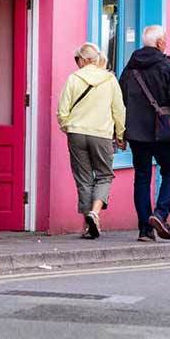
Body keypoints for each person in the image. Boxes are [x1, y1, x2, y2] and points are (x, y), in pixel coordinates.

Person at [120, 25, 170, 243]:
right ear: (159, 43)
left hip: (137, 132)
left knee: (142, 178)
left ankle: (144, 231)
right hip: (163, 131)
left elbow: (121, 97)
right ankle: (160, 214)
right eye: (165, 39)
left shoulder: (130, 68)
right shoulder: (168, 67)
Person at [56, 42, 126, 239]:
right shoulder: (109, 80)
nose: (76, 63)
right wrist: (120, 135)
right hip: (102, 134)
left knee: (84, 179)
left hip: (77, 133)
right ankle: (94, 213)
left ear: (85, 60)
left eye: (77, 59)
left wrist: (67, 126)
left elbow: (62, 110)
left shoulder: (73, 79)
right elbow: (119, 111)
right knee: (104, 175)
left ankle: (88, 226)